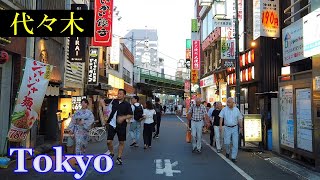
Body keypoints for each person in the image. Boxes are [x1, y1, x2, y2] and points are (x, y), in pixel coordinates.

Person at [107, 89, 133, 165]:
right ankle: (111, 152)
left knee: (121, 142)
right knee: (108, 141)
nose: (119, 95)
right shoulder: (113, 101)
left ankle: (119, 157)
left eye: (121, 94)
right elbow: (103, 103)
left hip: (121, 126)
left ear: (124, 95)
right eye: (118, 93)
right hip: (112, 124)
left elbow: (131, 115)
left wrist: (123, 118)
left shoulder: (127, 104)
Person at [219, 97, 243, 162]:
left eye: (229, 102)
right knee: (227, 142)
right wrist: (220, 126)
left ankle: (233, 157)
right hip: (227, 127)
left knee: (235, 143)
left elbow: (240, 118)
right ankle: (227, 151)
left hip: (235, 127)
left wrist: (241, 127)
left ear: (233, 103)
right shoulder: (224, 109)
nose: (227, 103)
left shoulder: (236, 110)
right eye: (227, 102)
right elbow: (221, 117)